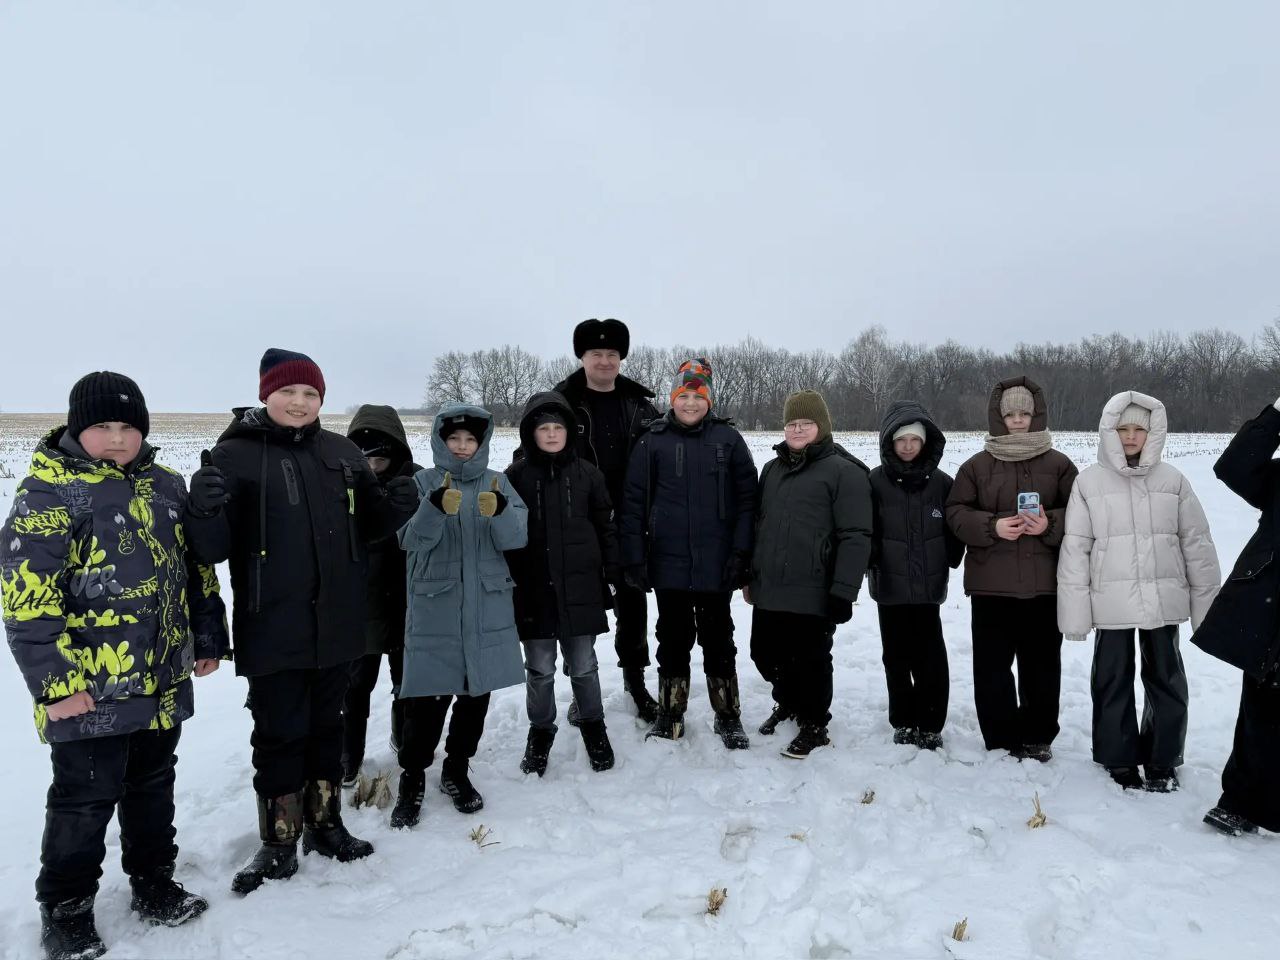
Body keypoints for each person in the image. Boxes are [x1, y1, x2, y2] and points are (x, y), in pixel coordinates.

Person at [1, 373, 229, 960]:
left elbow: (197, 571)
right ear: (78, 428)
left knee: (154, 785)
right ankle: (67, 908)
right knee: (84, 798)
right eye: (103, 426)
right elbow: (27, 600)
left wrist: (207, 638)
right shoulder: (48, 494)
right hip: (89, 688)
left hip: (161, 677)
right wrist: (56, 686)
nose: (118, 437)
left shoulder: (165, 486)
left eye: (128, 426)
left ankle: (153, 881)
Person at [184, 349, 419, 894]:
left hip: (339, 622)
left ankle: (326, 825)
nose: (298, 402)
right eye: (288, 392)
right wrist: (204, 507)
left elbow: (371, 529)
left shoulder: (341, 452)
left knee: (326, 727)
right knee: (277, 735)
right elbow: (213, 549)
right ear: (267, 394)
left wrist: (397, 505)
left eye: (310, 394)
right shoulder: (235, 455)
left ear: (322, 400)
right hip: (273, 624)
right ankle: (279, 840)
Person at [1058, 392, 1220, 792]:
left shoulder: (1173, 481)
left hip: (1163, 599)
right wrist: (1075, 614)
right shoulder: (1089, 482)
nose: (1131, 437)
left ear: (1153, 433)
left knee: (1166, 679)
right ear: (1109, 432)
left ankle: (1163, 759)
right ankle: (1119, 758)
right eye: (1123, 429)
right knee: (1112, 679)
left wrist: (1208, 608)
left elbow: (1197, 544)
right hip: (1110, 600)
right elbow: (1076, 548)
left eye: (1139, 429)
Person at [392, 404, 528, 827]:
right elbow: (407, 541)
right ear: (441, 441)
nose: (463, 447)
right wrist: (433, 508)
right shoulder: (421, 482)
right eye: (455, 439)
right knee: (426, 703)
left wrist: (501, 512)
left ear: (482, 442)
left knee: (475, 698)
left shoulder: (498, 482)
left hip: (487, 606)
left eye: (471, 440)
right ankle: (411, 779)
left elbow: (518, 538)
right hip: (437, 609)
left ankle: (456, 770)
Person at [620, 358, 758, 747]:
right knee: (672, 639)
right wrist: (634, 556)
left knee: (719, 641)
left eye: (699, 397)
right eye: (685, 397)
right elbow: (632, 503)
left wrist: (741, 553)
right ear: (673, 399)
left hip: (717, 564)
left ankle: (728, 715)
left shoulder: (728, 441)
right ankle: (670, 713)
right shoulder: (652, 441)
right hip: (668, 564)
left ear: (709, 401)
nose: (692, 404)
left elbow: (748, 501)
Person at [945, 377, 1078, 761]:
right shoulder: (976, 465)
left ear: (1036, 415)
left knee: (1041, 667)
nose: (1018, 420)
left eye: (1024, 413)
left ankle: (1038, 736)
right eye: (1010, 414)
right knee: (992, 667)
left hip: (1044, 587)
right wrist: (993, 527)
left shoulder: (1059, 464)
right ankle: (1001, 737)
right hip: (992, 588)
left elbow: (1084, 512)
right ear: (998, 417)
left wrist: (1050, 524)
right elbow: (956, 513)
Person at [747, 390, 872, 758]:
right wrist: (750, 576)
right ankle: (788, 702)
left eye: (805, 423)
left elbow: (856, 536)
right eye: (791, 423)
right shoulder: (772, 469)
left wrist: (844, 591)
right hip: (770, 585)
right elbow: (760, 525)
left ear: (823, 426)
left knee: (810, 660)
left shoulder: (844, 472)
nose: (797, 429)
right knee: (764, 653)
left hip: (815, 588)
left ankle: (814, 723)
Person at [552, 318, 662, 721]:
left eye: (612, 354)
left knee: (633, 606)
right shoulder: (560, 403)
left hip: (630, 522)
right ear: (581, 356)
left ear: (621, 359)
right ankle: (583, 687)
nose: (604, 361)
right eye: (596, 353)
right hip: (579, 523)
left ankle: (635, 681)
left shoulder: (640, 406)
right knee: (580, 608)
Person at [505, 391, 618, 776]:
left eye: (558, 427)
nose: (552, 435)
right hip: (533, 591)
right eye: (543, 428)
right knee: (539, 669)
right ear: (530, 434)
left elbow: (605, 528)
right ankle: (540, 731)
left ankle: (594, 726)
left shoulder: (588, 474)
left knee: (584, 665)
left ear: (569, 431)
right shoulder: (514, 477)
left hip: (581, 588)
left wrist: (614, 576)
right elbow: (505, 538)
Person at [1191, 397, 1280, 835]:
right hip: (1273, 614)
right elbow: (1234, 467)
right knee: (1260, 707)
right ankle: (1242, 803)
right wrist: (1276, 415)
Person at [868, 401, 963, 751]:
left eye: (914, 439)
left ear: (926, 442)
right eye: (900, 439)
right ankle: (904, 719)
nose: (907, 446)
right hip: (889, 587)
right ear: (889, 442)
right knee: (895, 656)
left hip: (927, 589)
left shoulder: (942, 483)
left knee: (930, 657)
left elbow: (954, 529)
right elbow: (866, 529)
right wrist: (871, 559)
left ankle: (931, 721)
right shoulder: (875, 481)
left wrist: (951, 558)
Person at [341, 404, 423, 785]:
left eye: (381, 456)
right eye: (364, 457)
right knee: (355, 687)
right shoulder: (342, 488)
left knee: (407, 682)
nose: (373, 465)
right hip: (361, 604)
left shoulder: (419, 482)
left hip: (410, 601)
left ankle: (405, 741)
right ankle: (348, 754)